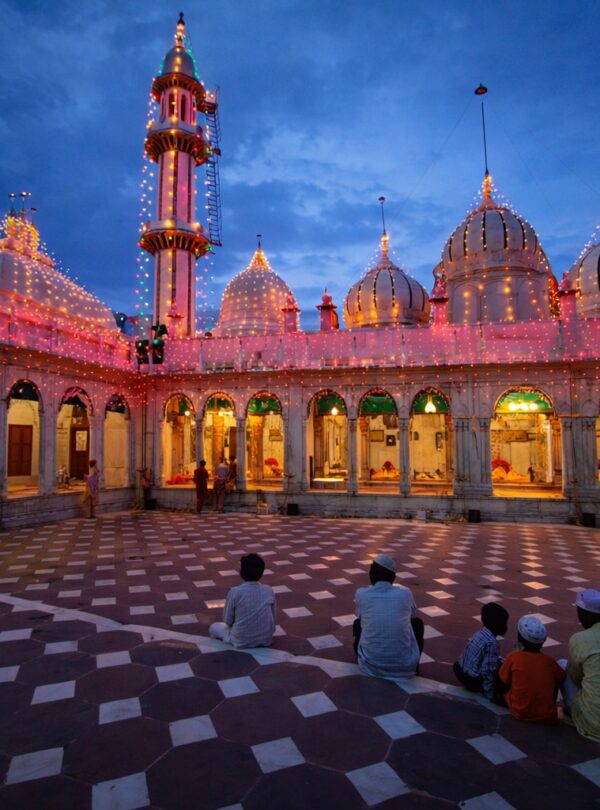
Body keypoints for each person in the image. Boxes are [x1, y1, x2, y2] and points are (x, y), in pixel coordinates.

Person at [353, 554, 424, 679]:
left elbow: (360, 615)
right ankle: (414, 666)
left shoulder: (362, 594)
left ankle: (374, 653)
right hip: (405, 667)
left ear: (373, 574)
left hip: (370, 666)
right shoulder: (405, 594)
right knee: (417, 623)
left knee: (359, 623)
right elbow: (412, 615)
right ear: (393, 577)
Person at [498, 615, 565, 724]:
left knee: (501, 671)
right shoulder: (550, 661)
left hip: (518, 711)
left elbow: (503, 681)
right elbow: (562, 677)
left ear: (519, 638)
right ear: (542, 642)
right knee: (556, 673)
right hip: (546, 715)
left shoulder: (513, 656)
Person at [209, 553, 275, 648]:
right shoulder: (268, 590)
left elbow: (227, 620)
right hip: (265, 639)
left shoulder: (235, 592)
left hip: (241, 639)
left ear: (242, 572)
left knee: (213, 627)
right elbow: (273, 616)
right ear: (261, 572)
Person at [560, 588, 600, 742]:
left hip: (592, 721)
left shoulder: (580, 639)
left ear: (585, 614)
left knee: (562, 665)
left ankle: (566, 711)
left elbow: (575, 676)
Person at [453, 602, 509, 702]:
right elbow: (487, 671)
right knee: (501, 671)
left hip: (459, 670)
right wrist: (490, 694)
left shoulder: (480, 633)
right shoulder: (492, 643)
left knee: (498, 662)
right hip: (472, 681)